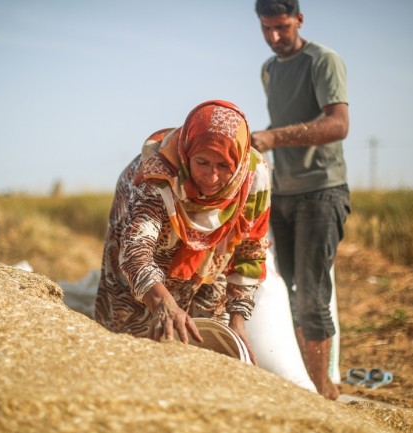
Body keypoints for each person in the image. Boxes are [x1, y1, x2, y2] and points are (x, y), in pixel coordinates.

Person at [94, 100, 271, 365]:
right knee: (133, 323)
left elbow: (250, 252)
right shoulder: (157, 176)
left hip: (214, 251)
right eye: (202, 162)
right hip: (152, 237)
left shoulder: (253, 177)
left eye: (223, 166)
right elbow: (135, 253)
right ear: (187, 155)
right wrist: (163, 302)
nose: (211, 177)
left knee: (209, 323)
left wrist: (238, 321)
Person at [252, 0, 350, 400]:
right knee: (289, 292)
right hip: (284, 194)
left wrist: (274, 138)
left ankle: (324, 393)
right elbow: (281, 123)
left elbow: (338, 124)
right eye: (266, 29)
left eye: (282, 27)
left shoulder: (322, 61)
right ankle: (303, 387)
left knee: (312, 295)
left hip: (321, 191)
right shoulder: (269, 70)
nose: (275, 37)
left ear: (299, 20)